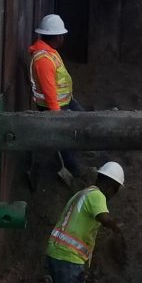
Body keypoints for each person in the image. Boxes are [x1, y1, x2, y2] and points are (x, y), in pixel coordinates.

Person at [29, 14, 82, 182]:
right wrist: (56, 115)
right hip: (54, 106)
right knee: (64, 138)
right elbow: (49, 89)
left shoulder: (50, 52)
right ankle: (73, 168)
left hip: (65, 101)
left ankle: (74, 158)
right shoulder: (43, 59)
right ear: (57, 37)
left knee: (84, 120)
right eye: (62, 35)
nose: (63, 38)